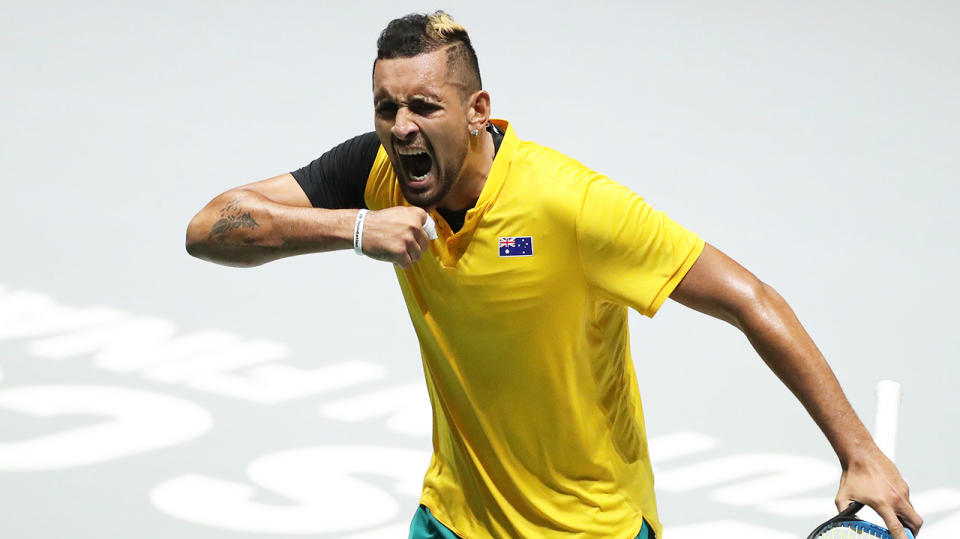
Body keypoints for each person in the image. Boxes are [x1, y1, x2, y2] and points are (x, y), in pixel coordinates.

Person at [185, 11, 922, 539]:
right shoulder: (377, 174)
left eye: (423, 106)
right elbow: (210, 226)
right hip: (452, 518)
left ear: (477, 111)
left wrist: (859, 452)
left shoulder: (574, 206)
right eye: (386, 107)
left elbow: (751, 300)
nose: (401, 126)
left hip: (588, 525)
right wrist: (351, 227)